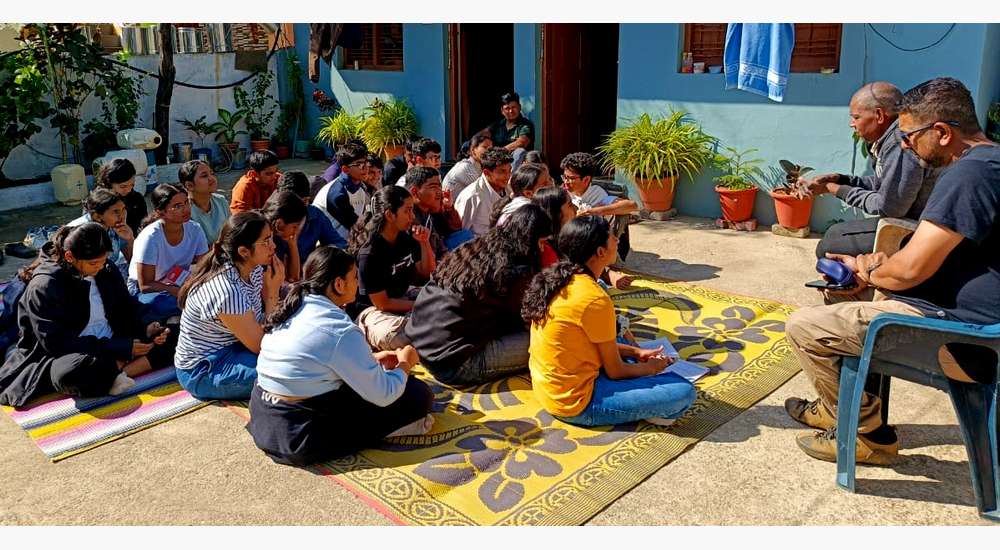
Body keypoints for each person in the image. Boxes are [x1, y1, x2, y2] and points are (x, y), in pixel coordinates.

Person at [784, 77, 1000, 465]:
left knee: (805, 326)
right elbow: (925, 257)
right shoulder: (991, 162)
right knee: (842, 290)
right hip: (966, 310)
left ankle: (865, 431)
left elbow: (908, 271)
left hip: (962, 329)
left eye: (909, 136)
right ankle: (846, 407)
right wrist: (881, 268)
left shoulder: (967, 175)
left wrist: (868, 272)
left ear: (941, 132)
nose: (905, 145)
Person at [247, 246, 435, 466]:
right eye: (354, 277)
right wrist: (405, 362)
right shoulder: (338, 329)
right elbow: (384, 394)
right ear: (338, 284)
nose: (358, 282)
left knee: (378, 382)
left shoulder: (295, 307)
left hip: (263, 415)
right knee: (417, 394)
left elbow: (310, 361)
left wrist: (372, 360)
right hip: (298, 434)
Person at [521, 216, 697, 426]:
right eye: (613, 237)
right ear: (600, 252)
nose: (618, 239)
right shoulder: (593, 297)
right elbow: (616, 371)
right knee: (683, 391)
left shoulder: (562, 279)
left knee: (622, 334)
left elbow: (585, 342)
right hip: (576, 402)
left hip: (550, 388)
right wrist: (651, 368)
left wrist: (635, 352)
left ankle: (641, 384)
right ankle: (647, 406)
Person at [0, 224, 175, 407]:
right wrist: (118, 348)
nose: (99, 267)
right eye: (93, 263)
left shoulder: (105, 268)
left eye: (103, 261)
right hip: (70, 354)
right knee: (70, 372)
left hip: (115, 340)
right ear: (70, 257)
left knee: (178, 335)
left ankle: (117, 370)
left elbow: (127, 305)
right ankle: (116, 368)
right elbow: (56, 343)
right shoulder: (45, 286)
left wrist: (147, 325)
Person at [406, 205, 552, 386]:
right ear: (533, 240)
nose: (544, 250)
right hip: (455, 365)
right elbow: (525, 318)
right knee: (549, 341)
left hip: (421, 345)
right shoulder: (515, 270)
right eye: (542, 243)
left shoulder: (474, 248)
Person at [801, 82, 940, 258]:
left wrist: (835, 189)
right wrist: (842, 180)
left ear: (879, 115)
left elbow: (889, 207)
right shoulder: (887, 139)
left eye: (856, 117)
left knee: (828, 246)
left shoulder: (899, 143)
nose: (852, 124)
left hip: (917, 230)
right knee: (832, 235)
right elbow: (884, 183)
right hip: (904, 219)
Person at [174, 212, 285, 400]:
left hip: (237, 346)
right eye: (266, 241)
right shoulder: (226, 290)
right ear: (243, 251)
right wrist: (272, 294)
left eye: (272, 238)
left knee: (294, 356)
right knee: (284, 373)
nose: (273, 246)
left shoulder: (253, 269)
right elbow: (260, 345)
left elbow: (260, 326)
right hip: (205, 369)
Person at [348, 185, 436, 350]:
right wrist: (420, 305)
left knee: (450, 300)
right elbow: (383, 303)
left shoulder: (407, 237)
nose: (412, 216)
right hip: (372, 310)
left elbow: (427, 272)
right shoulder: (370, 253)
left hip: (404, 297)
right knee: (398, 336)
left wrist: (424, 242)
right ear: (390, 215)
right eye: (407, 211)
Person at [128, 184, 209, 320]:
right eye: (177, 206)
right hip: (149, 290)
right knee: (156, 304)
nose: (186, 209)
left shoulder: (195, 229)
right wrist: (179, 292)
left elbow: (204, 267)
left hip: (179, 282)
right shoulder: (150, 237)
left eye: (186, 203)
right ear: (160, 212)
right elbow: (145, 285)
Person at [561, 152, 637, 262]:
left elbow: (631, 205)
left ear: (586, 179)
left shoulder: (597, 194)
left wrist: (594, 211)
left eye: (571, 178)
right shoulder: (563, 192)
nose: (566, 182)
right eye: (565, 177)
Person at [276, 171, 348, 260]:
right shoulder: (270, 219)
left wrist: (327, 255)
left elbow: (338, 243)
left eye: (304, 202)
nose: (300, 209)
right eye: (293, 205)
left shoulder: (315, 215)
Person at [406, 166, 474, 258]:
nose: (439, 192)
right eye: (433, 187)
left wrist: (448, 208)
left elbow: (456, 230)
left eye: (439, 186)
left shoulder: (429, 211)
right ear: (414, 192)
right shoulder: (409, 218)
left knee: (465, 235)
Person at [67, 188, 133, 280]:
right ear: (97, 216)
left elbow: (132, 261)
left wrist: (129, 239)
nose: (122, 215)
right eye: (116, 211)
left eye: (123, 209)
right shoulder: (80, 233)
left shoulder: (115, 227)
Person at [312, 142, 370, 242]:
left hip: (347, 242)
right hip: (326, 249)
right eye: (359, 164)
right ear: (345, 169)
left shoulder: (360, 188)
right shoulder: (336, 194)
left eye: (366, 162)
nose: (365, 167)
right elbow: (357, 227)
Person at [454, 147, 513, 236]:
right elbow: (460, 233)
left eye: (509, 171)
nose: (508, 176)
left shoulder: (510, 190)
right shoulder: (472, 196)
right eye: (502, 171)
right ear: (486, 173)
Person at [261, 190, 309, 283]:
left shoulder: (279, 236)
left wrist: (293, 244)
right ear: (280, 223)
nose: (296, 231)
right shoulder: (260, 239)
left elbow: (294, 277)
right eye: (294, 226)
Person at [180, 160, 230, 245]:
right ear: (189, 185)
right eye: (204, 176)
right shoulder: (184, 212)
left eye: (212, 173)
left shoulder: (221, 201)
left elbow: (231, 233)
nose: (212, 178)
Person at [490, 162, 554, 227]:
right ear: (528, 193)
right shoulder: (528, 215)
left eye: (550, 179)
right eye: (545, 184)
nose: (551, 185)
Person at [95, 158, 146, 236]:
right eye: (123, 186)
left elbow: (144, 226)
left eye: (132, 185)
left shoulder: (137, 199)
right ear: (109, 183)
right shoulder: (97, 202)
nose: (128, 190)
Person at [484, 92, 534, 170]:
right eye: (507, 108)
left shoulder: (526, 125)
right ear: (502, 111)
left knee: (519, 152)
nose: (511, 111)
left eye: (513, 107)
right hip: (495, 161)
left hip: (514, 163)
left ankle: (510, 180)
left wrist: (499, 152)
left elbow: (522, 142)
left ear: (519, 107)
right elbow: (483, 134)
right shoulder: (497, 125)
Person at [531, 186, 577, 267]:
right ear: (556, 214)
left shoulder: (563, 237)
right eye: (570, 205)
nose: (576, 208)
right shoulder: (545, 250)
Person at [443, 132, 493, 197]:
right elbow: (486, 192)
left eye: (490, 148)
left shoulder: (478, 166)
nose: (489, 151)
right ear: (473, 150)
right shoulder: (466, 167)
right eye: (485, 147)